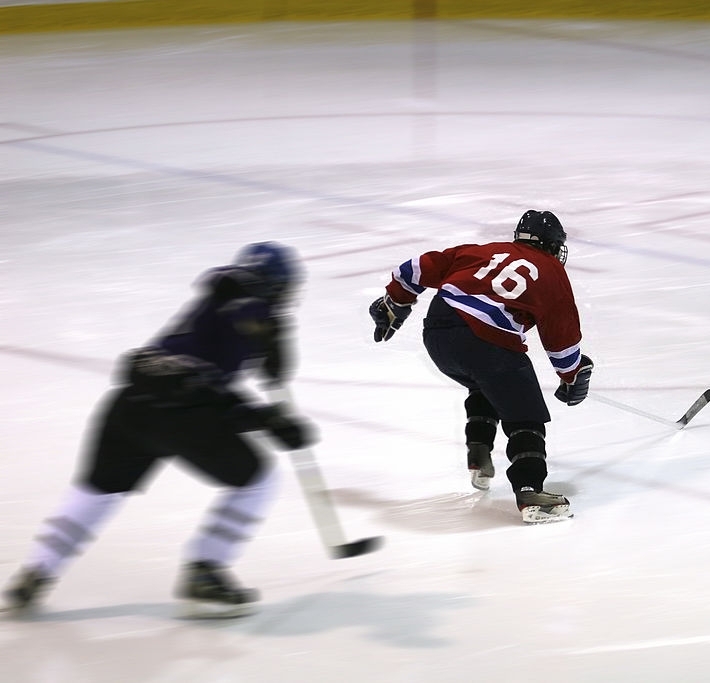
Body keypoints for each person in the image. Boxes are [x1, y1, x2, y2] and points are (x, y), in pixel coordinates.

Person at [2, 242, 315, 618]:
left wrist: (265, 409)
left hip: (131, 403)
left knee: (98, 491)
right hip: (180, 412)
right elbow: (212, 388)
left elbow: (242, 371)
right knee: (258, 480)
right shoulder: (255, 308)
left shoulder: (220, 296)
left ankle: (36, 572)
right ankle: (206, 569)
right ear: (278, 286)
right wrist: (267, 419)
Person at [369, 210, 593, 524]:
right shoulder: (551, 270)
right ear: (553, 246)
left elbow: (414, 269)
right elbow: (561, 336)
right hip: (486, 342)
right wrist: (571, 375)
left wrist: (396, 302)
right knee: (525, 414)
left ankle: (479, 452)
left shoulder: (482, 251)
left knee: (484, 383)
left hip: (437, 333)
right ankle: (530, 492)